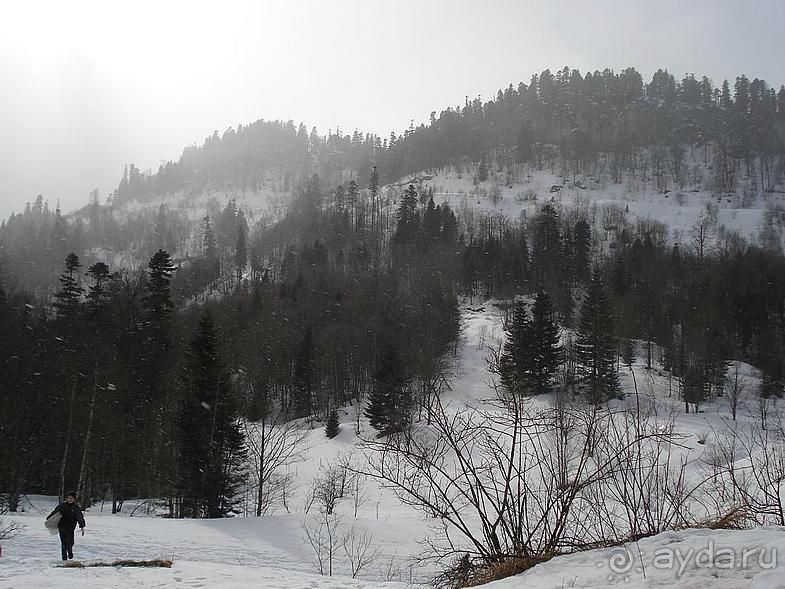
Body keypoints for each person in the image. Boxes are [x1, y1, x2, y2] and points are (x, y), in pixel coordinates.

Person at [46, 491, 86, 561]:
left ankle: (70, 551)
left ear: (74, 499)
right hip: (62, 526)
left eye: (71, 498)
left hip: (71, 527)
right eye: (68, 498)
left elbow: (79, 517)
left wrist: (82, 526)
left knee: (70, 542)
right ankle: (64, 559)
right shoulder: (62, 505)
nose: (69, 499)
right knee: (63, 543)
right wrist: (49, 518)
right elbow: (55, 512)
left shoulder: (76, 508)